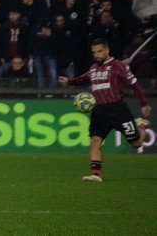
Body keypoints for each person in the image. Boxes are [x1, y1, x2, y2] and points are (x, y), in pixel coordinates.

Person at [58, 38, 151, 182]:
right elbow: (83, 79)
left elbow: (135, 85)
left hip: (118, 109)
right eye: (94, 52)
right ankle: (95, 174)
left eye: (100, 51)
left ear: (107, 50)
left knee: (136, 143)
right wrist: (69, 81)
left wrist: (144, 104)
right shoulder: (93, 68)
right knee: (95, 140)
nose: (97, 55)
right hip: (99, 110)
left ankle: (141, 126)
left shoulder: (118, 66)